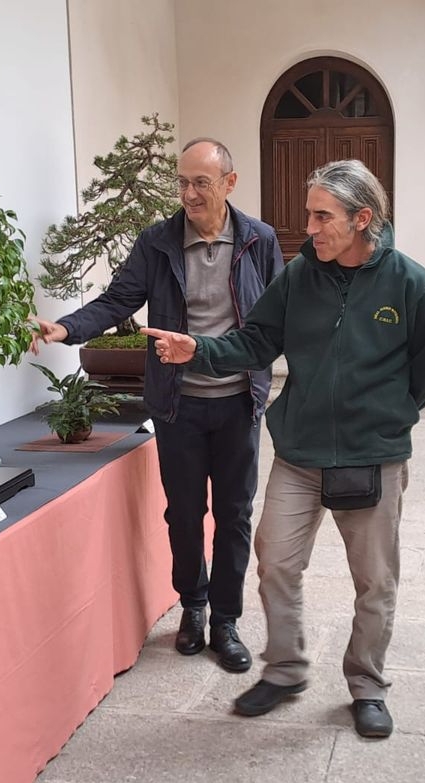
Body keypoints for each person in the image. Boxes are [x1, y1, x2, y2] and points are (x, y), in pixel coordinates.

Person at [142, 159, 425, 739]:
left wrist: (391, 412)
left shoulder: (410, 282)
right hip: (301, 451)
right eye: (309, 214)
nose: (309, 228)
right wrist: (198, 350)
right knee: (276, 559)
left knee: (375, 581)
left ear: (362, 219)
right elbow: (257, 340)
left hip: (371, 455)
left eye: (322, 216)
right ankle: (285, 670)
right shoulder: (300, 275)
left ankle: (367, 685)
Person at [32, 138, 283, 673]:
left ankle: (226, 621)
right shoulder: (159, 242)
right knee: (184, 513)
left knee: (235, 514)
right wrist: (66, 328)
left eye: (201, 183)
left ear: (229, 183)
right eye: (183, 182)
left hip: (238, 401)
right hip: (178, 405)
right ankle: (193, 607)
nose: (189, 194)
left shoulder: (258, 240)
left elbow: (279, 315)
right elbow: (118, 299)